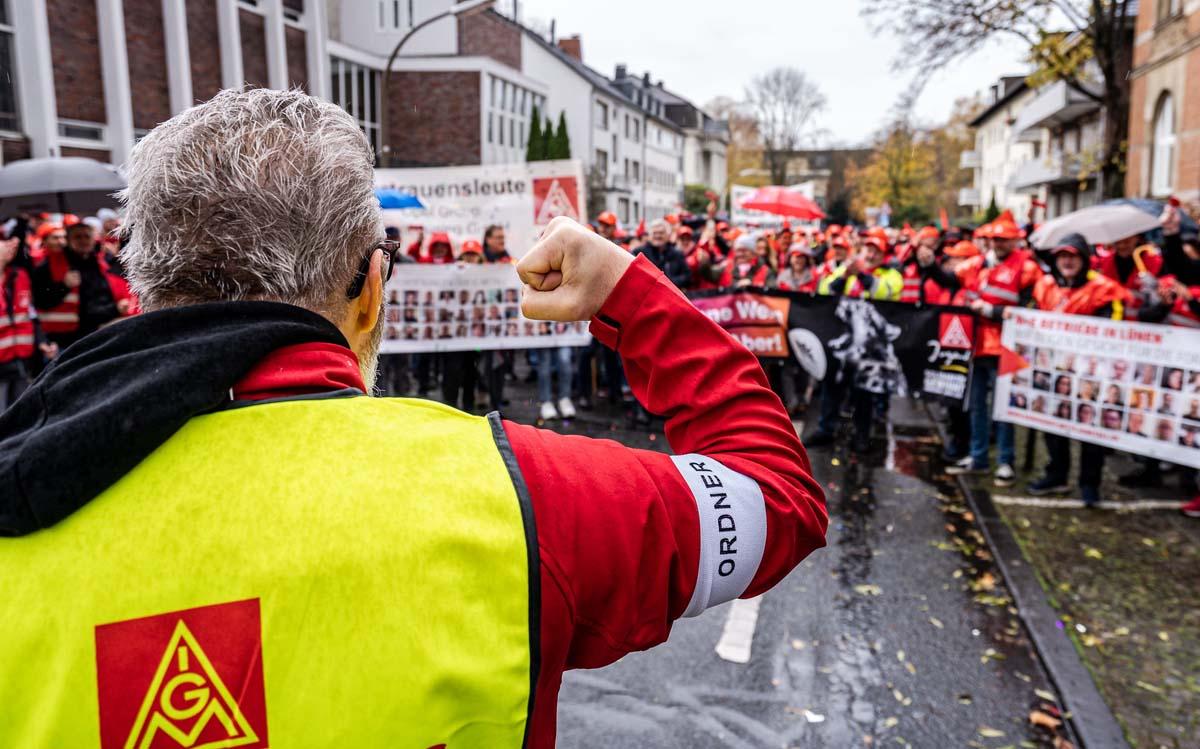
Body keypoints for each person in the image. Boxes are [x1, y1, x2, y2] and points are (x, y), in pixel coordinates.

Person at [0, 89, 827, 746]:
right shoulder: (516, 496)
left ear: (141, 293)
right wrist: (629, 295)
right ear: (370, 288)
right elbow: (777, 494)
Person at [1025, 234, 1131, 507]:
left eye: (1072, 256)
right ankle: (1057, 474)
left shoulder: (1104, 288)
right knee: (1053, 423)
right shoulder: (1045, 285)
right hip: (1055, 369)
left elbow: (1114, 326)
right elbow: (1033, 318)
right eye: (1062, 256)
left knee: (1089, 427)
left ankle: (1089, 484)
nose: (1067, 261)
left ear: (1084, 259)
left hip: (1090, 372)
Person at [946, 211, 1043, 487]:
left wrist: (992, 310)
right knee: (977, 406)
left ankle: (1005, 461)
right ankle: (978, 457)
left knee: (1003, 409)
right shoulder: (979, 264)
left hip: (1006, 349)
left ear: (1014, 241)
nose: (997, 243)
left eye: (1003, 239)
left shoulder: (1027, 267)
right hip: (976, 346)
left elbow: (1030, 309)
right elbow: (951, 280)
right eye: (994, 238)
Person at [809, 237, 903, 451]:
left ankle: (861, 435)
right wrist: (845, 276)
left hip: (868, 346)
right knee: (831, 386)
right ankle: (826, 429)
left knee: (863, 392)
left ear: (883, 254)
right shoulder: (846, 270)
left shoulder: (891, 275)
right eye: (867, 250)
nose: (869, 255)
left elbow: (882, 292)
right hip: (843, 342)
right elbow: (825, 290)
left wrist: (860, 273)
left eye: (875, 251)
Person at [31, 221, 134, 350]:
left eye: (87, 236)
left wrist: (117, 307)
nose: (83, 241)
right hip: (65, 341)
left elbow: (100, 298)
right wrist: (64, 286)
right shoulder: (47, 267)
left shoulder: (102, 263)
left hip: (100, 332)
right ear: (68, 240)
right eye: (78, 237)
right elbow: (40, 301)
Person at [441, 240, 484, 412]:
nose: (470, 259)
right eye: (467, 255)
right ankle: (450, 406)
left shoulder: (485, 274)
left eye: (474, 255)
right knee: (452, 370)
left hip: (474, 335)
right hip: (454, 333)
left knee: (471, 372)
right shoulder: (452, 273)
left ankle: (468, 407)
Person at [0, 237, 39, 411]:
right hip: (2, 361)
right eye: (3, 243)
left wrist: (42, 341)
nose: (10, 246)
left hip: (21, 359)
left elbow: (30, 313)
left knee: (21, 413)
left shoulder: (19, 276)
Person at [632, 219, 691, 289]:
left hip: (671, 294)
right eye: (655, 233)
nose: (658, 236)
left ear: (668, 235)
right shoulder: (639, 253)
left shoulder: (677, 253)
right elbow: (633, 275)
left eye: (661, 233)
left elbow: (687, 275)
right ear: (649, 235)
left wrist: (670, 283)